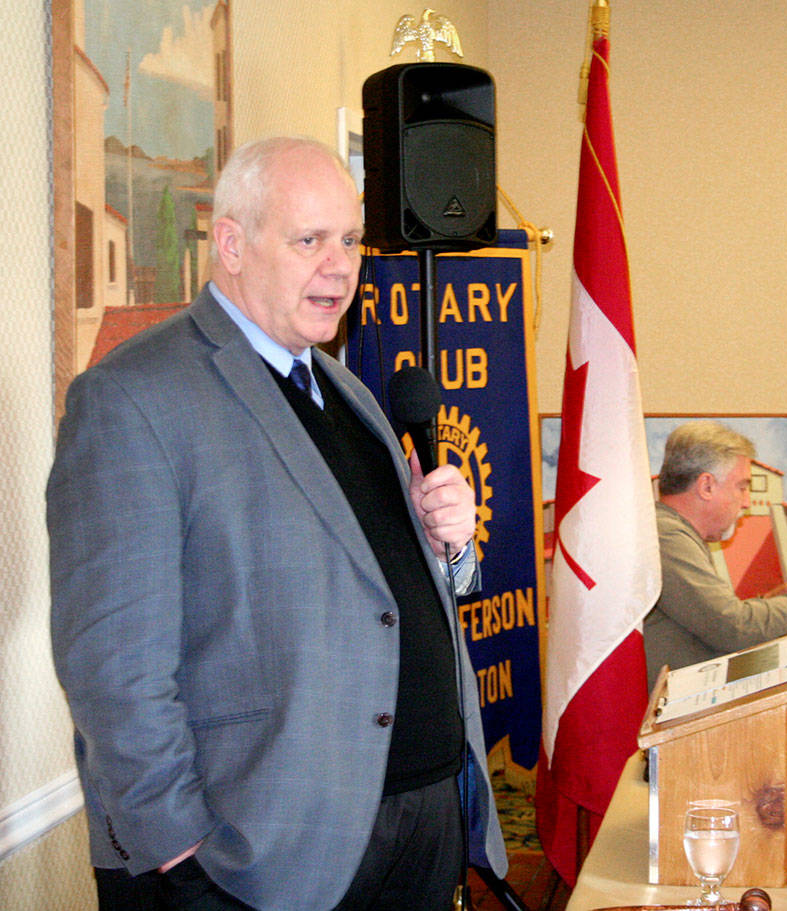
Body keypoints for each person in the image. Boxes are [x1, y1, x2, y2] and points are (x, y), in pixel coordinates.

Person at [47, 137, 505, 911]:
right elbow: (111, 665)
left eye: (351, 240)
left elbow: (381, 592)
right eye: (309, 240)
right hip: (264, 852)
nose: (341, 264)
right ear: (231, 244)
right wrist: (181, 850)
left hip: (416, 823)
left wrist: (451, 550)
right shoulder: (133, 397)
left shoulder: (344, 388)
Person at [643, 421, 787, 689]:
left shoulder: (671, 531)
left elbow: (712, 619)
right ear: (706, 486)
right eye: (741, 486)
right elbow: (734, 629)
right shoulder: (666, 537)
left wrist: (769, 601)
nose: (747, 501)